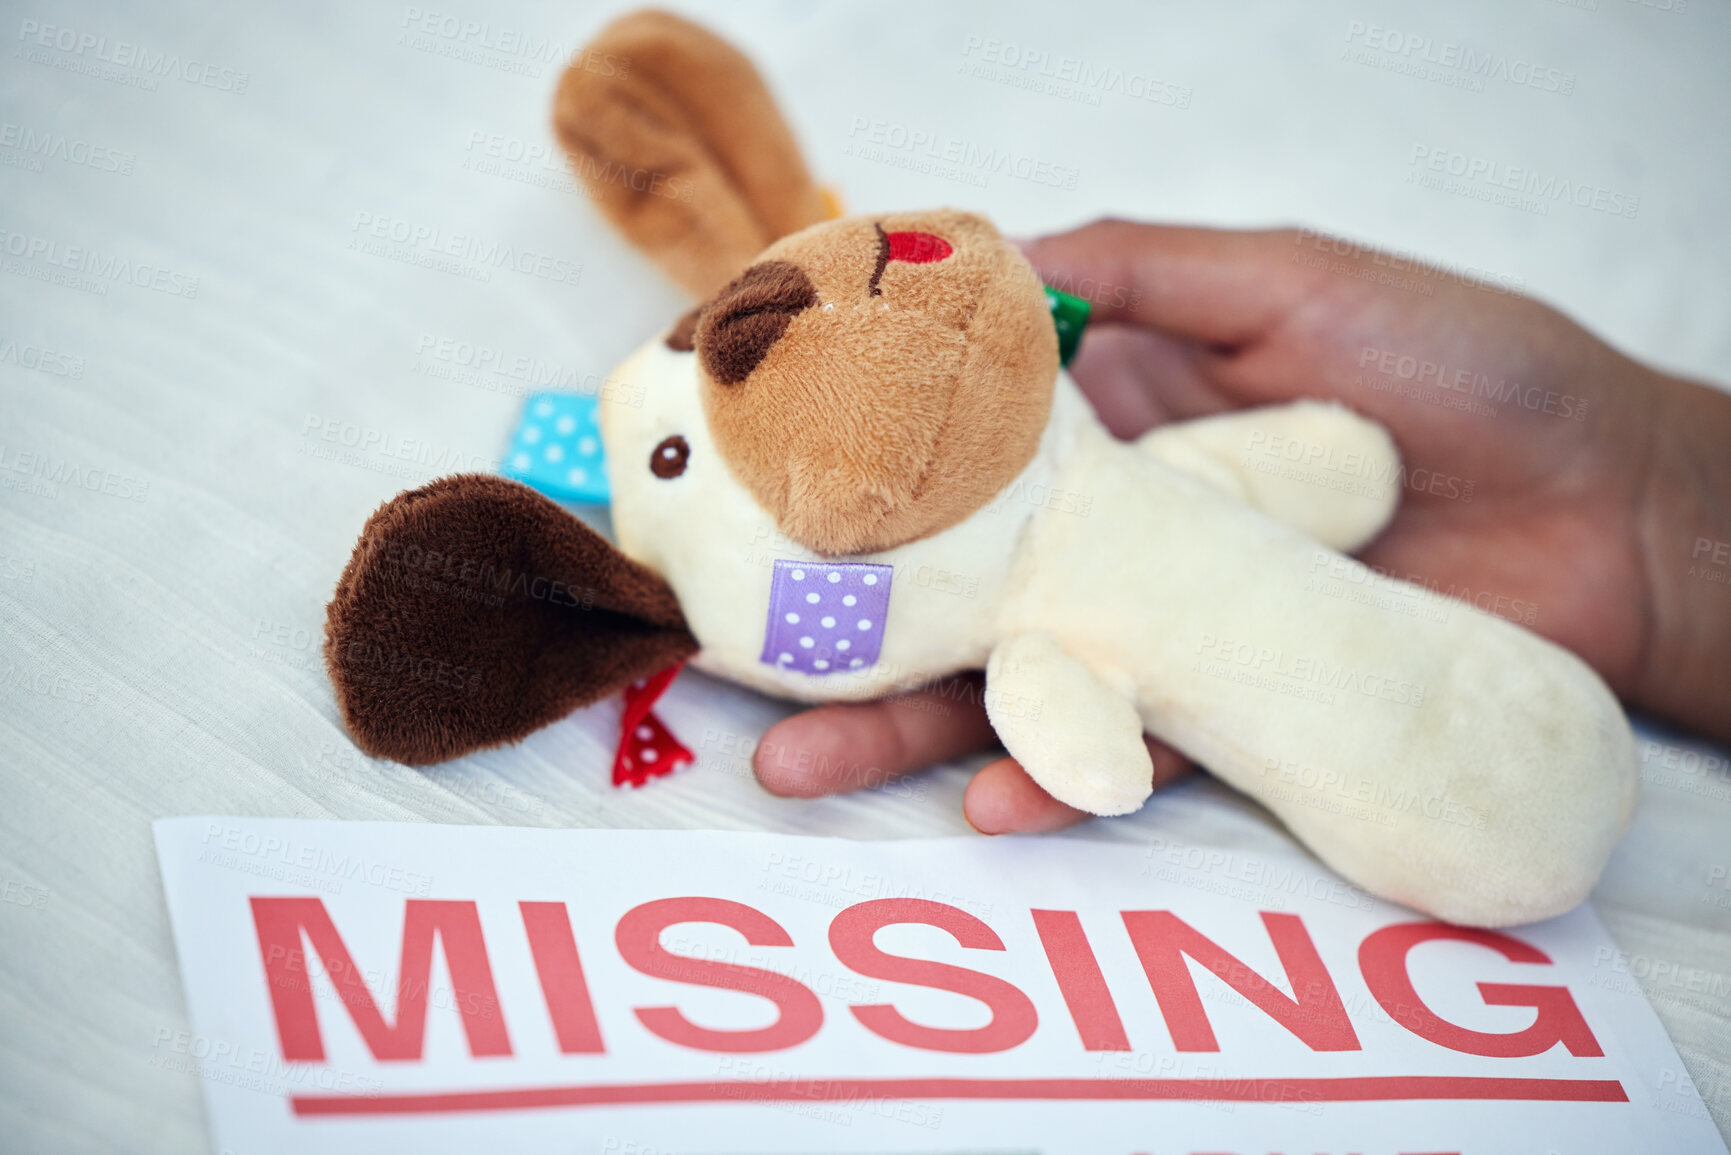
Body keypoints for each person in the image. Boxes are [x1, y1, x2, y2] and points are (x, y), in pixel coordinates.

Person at [750, 220, 1731, 833]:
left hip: (1521, 759)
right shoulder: (1031, 612)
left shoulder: (1088, 504)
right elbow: (1344, 467)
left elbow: (1345, 470)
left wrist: (1652, 489)